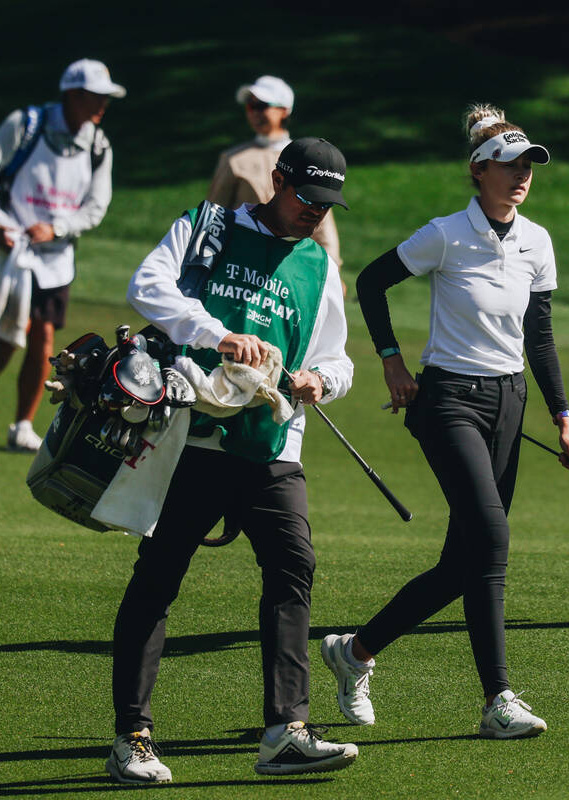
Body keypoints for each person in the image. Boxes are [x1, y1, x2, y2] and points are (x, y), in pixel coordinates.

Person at [320, 104, 569, 739]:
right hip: (446, 401)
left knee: (463, 562)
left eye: (529, 166)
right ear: (479, 171)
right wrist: (391, 362)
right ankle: (498, 699)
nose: (522, 175)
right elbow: (372, 282)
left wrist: (564, 418)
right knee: (492, 540)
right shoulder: (444, 233)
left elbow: (539, 336)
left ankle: (353, 652)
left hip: (509, 400)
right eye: (510, 165)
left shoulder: (537, 241)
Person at [106, 137, 357, 783]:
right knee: (159, 578)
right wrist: (217, 335)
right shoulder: (207, 227)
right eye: (306, 198)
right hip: (191, 436)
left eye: (326, 204)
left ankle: (285, 731)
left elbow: (338, 357)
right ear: (276, 181)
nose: (314, 213)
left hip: (272, 445)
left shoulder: (318, 263)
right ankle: (131, 736)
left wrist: (319, 383)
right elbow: (147, 285)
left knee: (293, 569)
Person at [0, 58, 122, 452]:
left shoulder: (99, 145)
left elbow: (96, 207)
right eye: (95, 97)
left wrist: (57, 228)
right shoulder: (26, 123)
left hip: (56, 256)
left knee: (45, 337)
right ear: (72, 95)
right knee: (8, 336)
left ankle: (21, 424)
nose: (102, 105)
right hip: (13, 249)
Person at [207, 75, 342, 270]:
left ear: (284, 110)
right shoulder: (233, 159)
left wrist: (332, 266)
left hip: (293, 263)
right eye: (250, 106)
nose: (254, 113)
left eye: (262, 106)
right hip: (241, 258)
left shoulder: (308, 158)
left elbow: (322, 218)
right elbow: (213, 214)